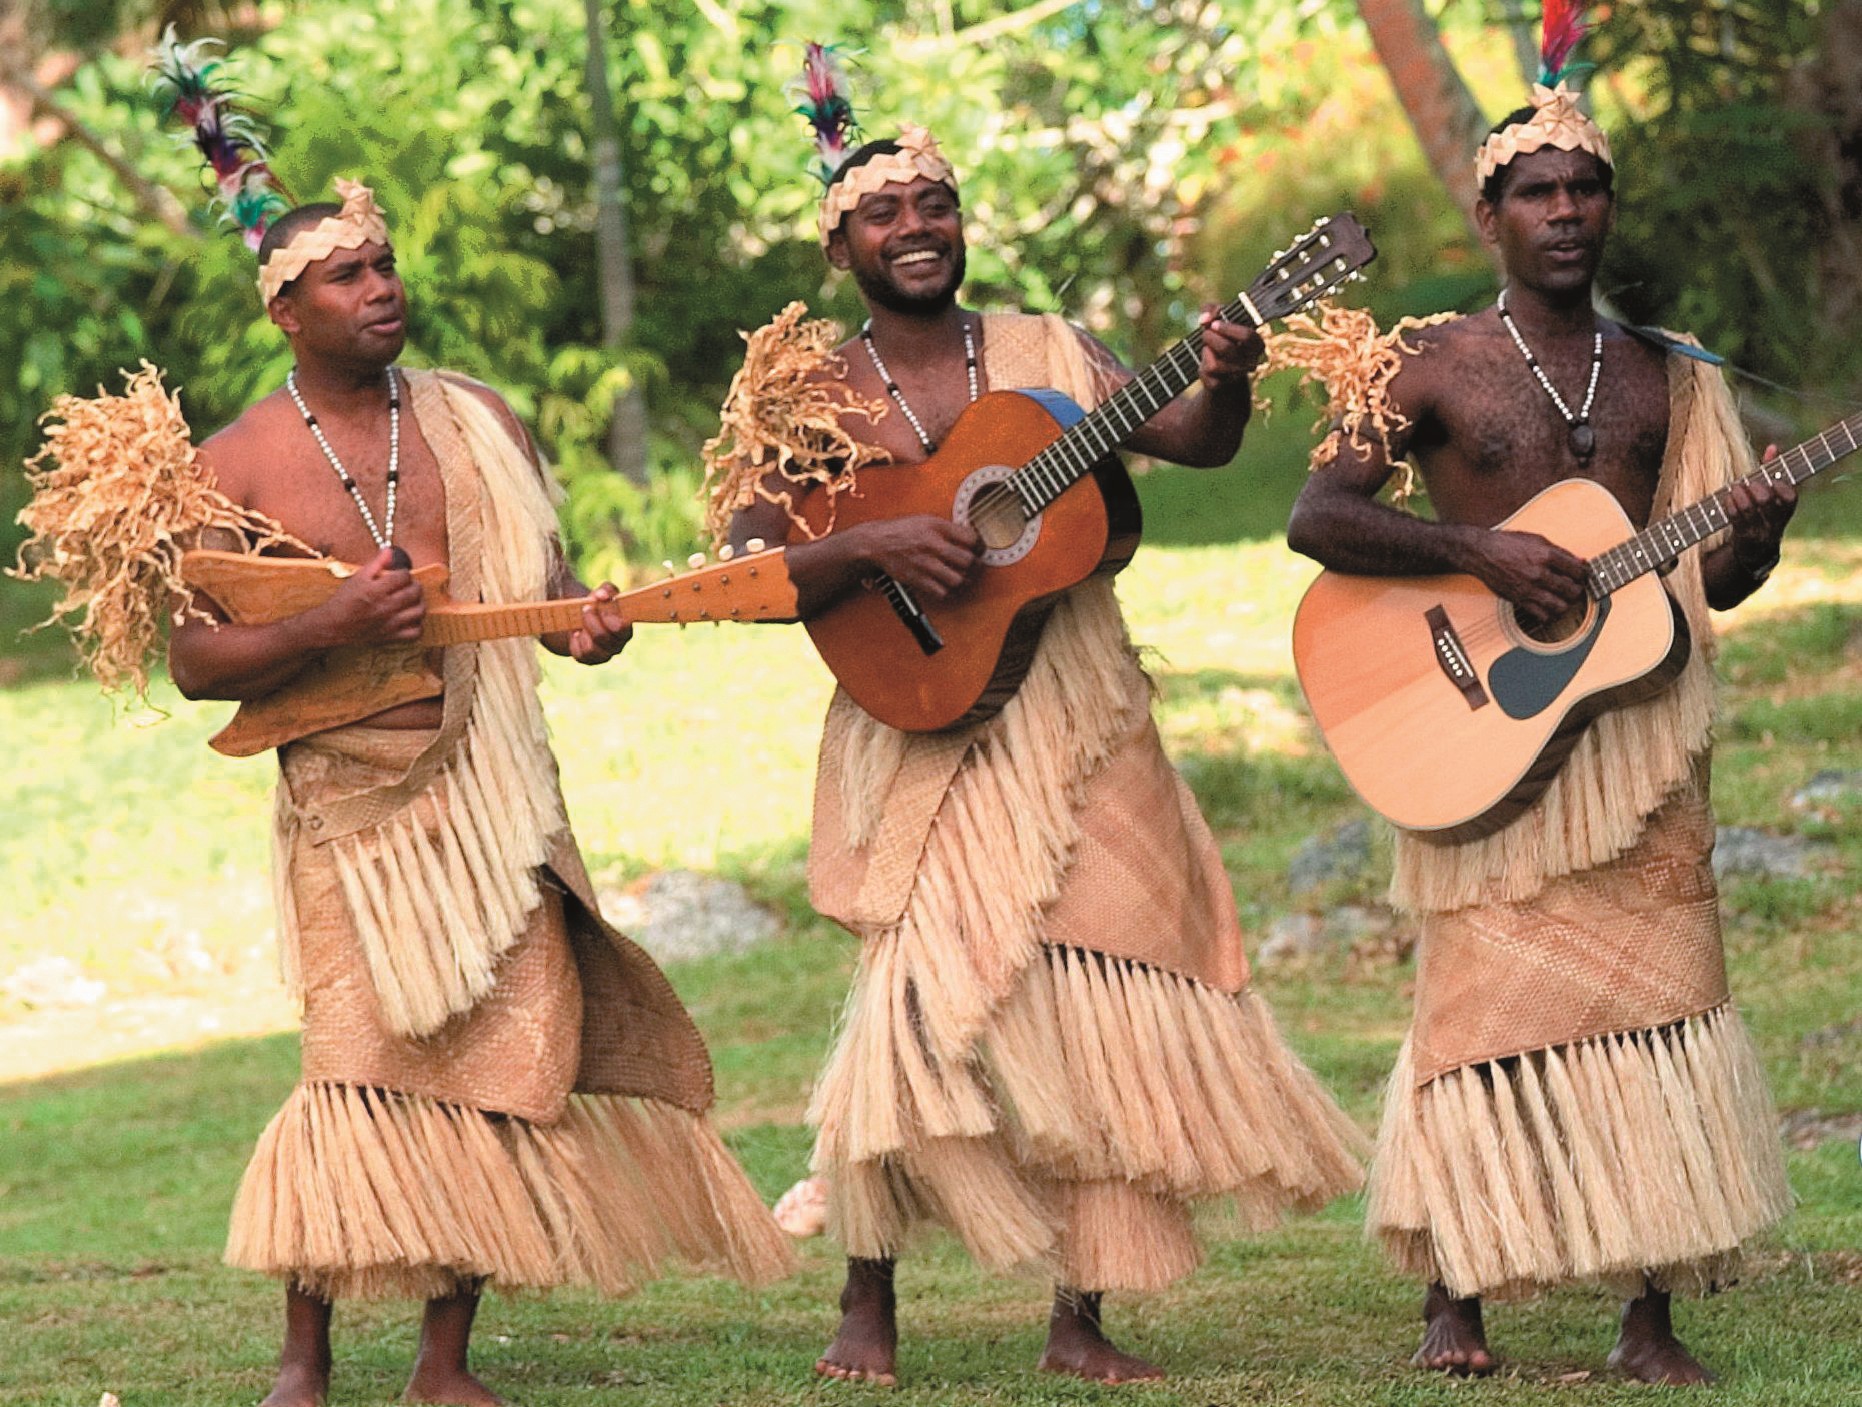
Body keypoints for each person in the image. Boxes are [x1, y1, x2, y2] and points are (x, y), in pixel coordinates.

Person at [705, 118, 1365, 1388]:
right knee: (916, 1004)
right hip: (914, 714)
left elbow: (1196, 443)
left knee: (1102, 992)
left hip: (1078, 712)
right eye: (885, 214)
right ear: (838, 241)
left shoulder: (1049, 354)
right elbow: (745, 562)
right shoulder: (811, 391)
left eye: (935, 206)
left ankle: (1081, 1316)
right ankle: (866, 1296)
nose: (915, 230)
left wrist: (1225, 373)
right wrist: (872, 549)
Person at [168, 180, 790, 1407]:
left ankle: (442, 1365)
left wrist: (589, 629)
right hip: (349, 805)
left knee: (503, 1065)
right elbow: (193, 663)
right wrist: (341, 617)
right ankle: (305, 1358)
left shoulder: (478, 422)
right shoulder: (232, 460)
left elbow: (547, 591)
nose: (382, 288)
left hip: (496, 788)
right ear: (287, 311)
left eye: (386, 265)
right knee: (352, 1067)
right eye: (348, 276)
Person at [1283, 56, 1796, 1386]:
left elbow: (1713, 586)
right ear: (1489, 216)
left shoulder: (1673, 379)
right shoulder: (1428, 360)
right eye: (1534, 191)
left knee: (1660, 1005)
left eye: (1582, 188)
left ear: (1605, 210)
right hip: (1483, 734)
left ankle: (1648, 1309)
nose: (1562, 210)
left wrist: (1760, 532)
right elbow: (1317, 514)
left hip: (1634, 734)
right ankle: (1457, 1285)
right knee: (1473, 1005)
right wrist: (1479, 552)